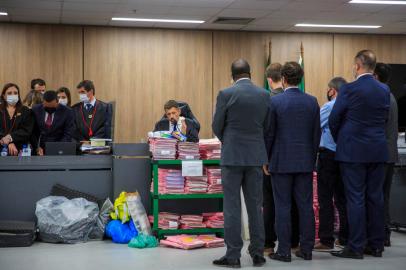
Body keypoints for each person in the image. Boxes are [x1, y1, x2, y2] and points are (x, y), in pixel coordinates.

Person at [330, 50, 390, 259]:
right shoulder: (384, 89)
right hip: (378, 149)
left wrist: (342, 139)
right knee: (376, 198)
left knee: (355, 198)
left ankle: (355, 247)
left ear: (357, 66)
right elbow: (385, 118)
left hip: (352, 152)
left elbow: (334, 119)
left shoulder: (349, 89)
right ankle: (376, 245)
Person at [212, 59, 269, 268]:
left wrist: (229, 140)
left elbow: (217, 125)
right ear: (250, 73)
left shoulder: (225, 94)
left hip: (232, 156)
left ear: (232, 75)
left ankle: (233, 255)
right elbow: (267, 125)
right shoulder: (264, 94)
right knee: (255, 206)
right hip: (255, 157)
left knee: (232, 206)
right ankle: (258, 254)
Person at [264, 61, 320, 262]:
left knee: (283, 207)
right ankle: (306, 250)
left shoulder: (275, 102)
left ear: (284, 79)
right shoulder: (312, 101)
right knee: (305, 207)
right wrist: (311, 159)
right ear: (300, 79)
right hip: (305, 162)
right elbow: (316, 135)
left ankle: (284, 251)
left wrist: (266, 159)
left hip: (280, 162)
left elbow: (269, 134)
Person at [263, 62, 300, 256]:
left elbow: (266, 132)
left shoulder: (268, 100)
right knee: (294, 202)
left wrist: (265, 158)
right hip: (297, 161)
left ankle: (268, 243)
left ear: (270, 79)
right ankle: (294, 242)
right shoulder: (302, 99)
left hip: (272, 161)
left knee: (270, 202)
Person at [314, 77, 348, 251]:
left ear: (333, 90)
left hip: (328, 157)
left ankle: (326, 240)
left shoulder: (329, 107)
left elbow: (315, 126)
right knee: (343, 199)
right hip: (345, 157)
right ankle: (344, 238)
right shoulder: (350, 106)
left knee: (325, 199)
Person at [374, 62, 399, 247]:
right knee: (383, 196)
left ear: (375, 77)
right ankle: (384, 234)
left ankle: (382, 234)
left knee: (379, 196)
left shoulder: (382, 98)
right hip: (389, 154)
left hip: (382, 155)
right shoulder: (389, 95)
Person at [31, 90, 74, 156]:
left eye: (52, 108)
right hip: (39, 149)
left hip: (59, 148)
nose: (49, 110)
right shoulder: (35, 110)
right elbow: (33, 132)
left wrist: (56, 148)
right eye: (47, 108)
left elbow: (68, 134)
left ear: (57, 102)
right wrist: (37, 147)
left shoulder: (67, 112)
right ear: (43, 103)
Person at [0, 83, 35, 155]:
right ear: (3, 96)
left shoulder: (26, 111)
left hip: (20, 149)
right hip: (1, 147)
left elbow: (26, 130)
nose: (13, 95)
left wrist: (10, 138)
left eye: (15, 93)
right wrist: (8, 143)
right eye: (9, 93)